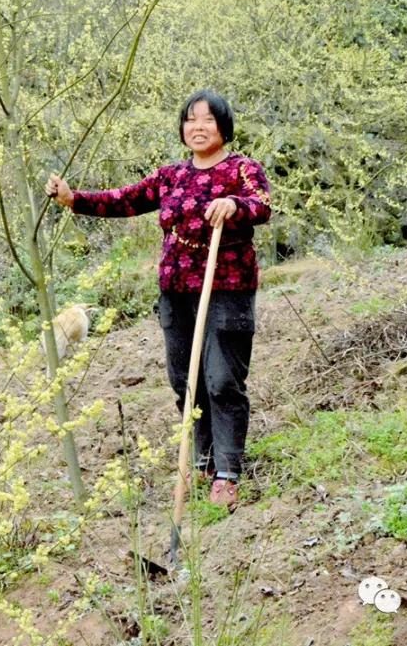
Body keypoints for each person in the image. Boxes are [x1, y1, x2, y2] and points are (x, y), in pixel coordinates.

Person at [45, 89, 272, 509]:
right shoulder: (170, 176)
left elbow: (261, 205)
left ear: (223, 126)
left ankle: (227, 471)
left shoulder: (242, 169)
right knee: (186, 382)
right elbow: (125, 200)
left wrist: (233, 204)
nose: (197, 128)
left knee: (222, 380)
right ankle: (201, 461)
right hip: (176, 294)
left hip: (227, 290)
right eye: (190, 120)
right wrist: (72, 199)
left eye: (207, 120)